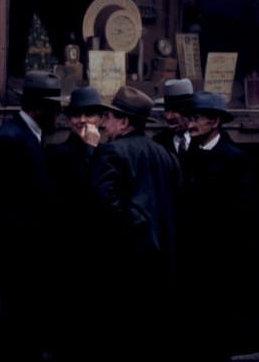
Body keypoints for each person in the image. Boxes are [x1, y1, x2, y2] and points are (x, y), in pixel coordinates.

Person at [88, 85, 182, 359]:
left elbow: (103, 206)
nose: (103, 123)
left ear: (124, 121)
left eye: (109, 117)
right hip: (161, 266)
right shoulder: (165, 156)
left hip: (124, 267)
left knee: (120, 341)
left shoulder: (110, 153)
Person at [0, 70, 63, 362]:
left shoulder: (31, 135)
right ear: (39, 107)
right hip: (17, 257)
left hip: (30, 258)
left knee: (26, 330)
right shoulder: (11, 138)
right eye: (55, 108)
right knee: (16, 331)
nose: (59, 115)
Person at [177, 90, 255, 362]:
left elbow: (241, 214)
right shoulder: (190, 154)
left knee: (217, 328)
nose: (191, 123)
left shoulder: (235, 158)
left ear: (215, 122)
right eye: (190, 118)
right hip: (192, 256)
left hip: (219, 259)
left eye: (197, 118)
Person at [45, 85, 105, 362]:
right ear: (69, 120)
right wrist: (89, 151)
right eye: (77, 115)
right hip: (67, 254)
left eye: (89, 115)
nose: (83, 121)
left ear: (100, 119)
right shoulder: (57, 154)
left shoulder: (108, 152)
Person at [153, 77, 195, 159]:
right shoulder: (158, 143)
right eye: (167, 110)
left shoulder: (203, 141)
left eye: (174, 111)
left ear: (188, 112)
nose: (168, 117)